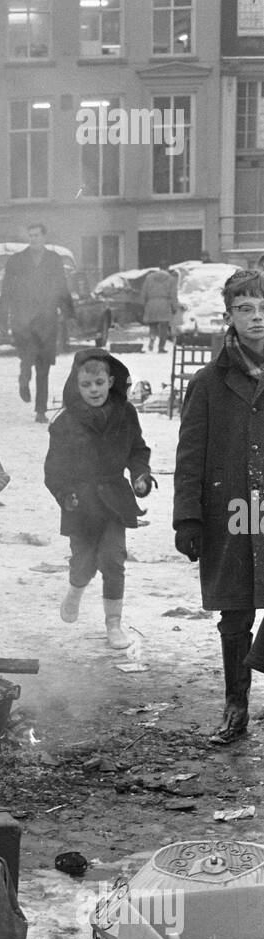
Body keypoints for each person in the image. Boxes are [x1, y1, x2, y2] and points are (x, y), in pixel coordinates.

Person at [174, 269, 264, 745]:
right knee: (235, 612)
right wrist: (187, 516)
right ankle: (236, 705)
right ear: (229, 315)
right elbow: (189, 453)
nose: (257, 318)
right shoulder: (209, 382)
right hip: (228, 509)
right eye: (246, 308)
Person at [44, 350, 153, 650]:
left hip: (115, 500)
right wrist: (66, 495)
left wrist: (141, 476)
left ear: (111, 381)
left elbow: (137, 450)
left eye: (99, 382)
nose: (94, 390)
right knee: (84, 563)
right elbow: (53, 470)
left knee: (113, 560)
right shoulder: (64, 423)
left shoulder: (125, 413)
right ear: (75, 386)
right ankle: (75, 591)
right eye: (86, 384)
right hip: (80, 504)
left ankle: (113, 624)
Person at [0, 223, 74, 424]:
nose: (33, 239)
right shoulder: (16, 260)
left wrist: (69, 313)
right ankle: (24, 376)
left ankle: (41, 410)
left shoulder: (54, 259)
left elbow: (61, 287)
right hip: (23, 318)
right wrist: (2, 318)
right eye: (30, 235)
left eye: (37, 235)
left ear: (44, 237)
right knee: (28, 355)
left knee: (44, 365)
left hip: (47, 319)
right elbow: (6, 290)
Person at [142, 263, 179, 352]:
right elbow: (173, 294)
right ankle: (161, 347)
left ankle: (152, 338)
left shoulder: (149, 278)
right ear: (167, 268)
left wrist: (144, 305)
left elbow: (144, 292)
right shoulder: (171, 279)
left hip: (151, 303)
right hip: (165, 304)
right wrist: (174, 307)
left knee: (153, 325)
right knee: (164, 327)